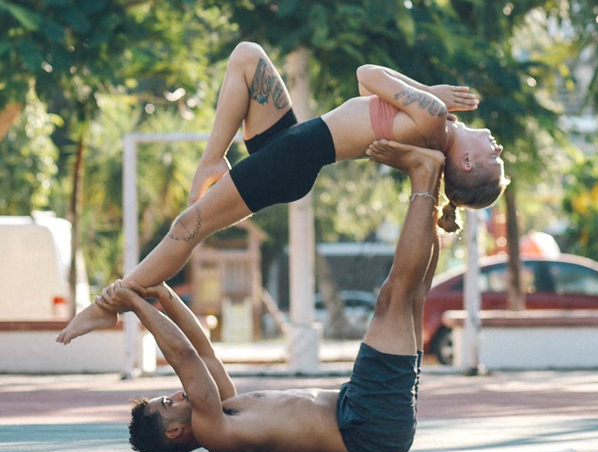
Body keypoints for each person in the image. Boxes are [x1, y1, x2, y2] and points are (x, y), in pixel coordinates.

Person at [56, 41, 507, 345]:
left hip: (292, 161)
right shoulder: (432, 123)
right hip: (291, 141)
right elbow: (365, 82)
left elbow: (367, 73)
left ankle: (110, 303)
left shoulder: (432, 119)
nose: (497, 146)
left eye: (494, 157)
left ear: (466, 164)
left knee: (188, 225)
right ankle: (213, 158)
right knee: (247, 56)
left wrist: (430, 93)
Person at [78, 144, 444, 452]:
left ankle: (437, 188)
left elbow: (203, 352)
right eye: (169, 404)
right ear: (174, 433)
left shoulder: (225, 408)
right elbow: (185, 359)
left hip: (363, 412)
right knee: (392, 298)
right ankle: (423, 174)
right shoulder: (216, 434)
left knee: (410, 297)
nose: (176, 394)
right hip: (368, 425)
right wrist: (136, 305)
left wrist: (163, 293)